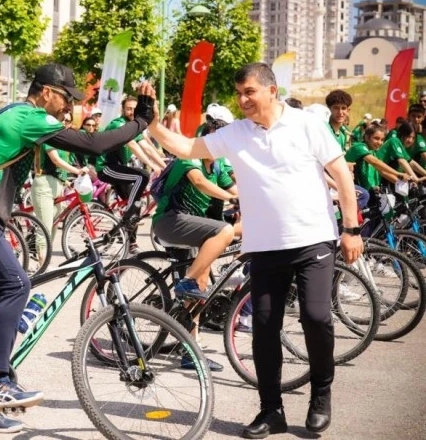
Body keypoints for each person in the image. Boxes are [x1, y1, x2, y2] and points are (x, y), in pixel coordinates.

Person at [0, 63, 157, 429]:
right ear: (48, 92)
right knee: (17, 284)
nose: (69, 108)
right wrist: (140, 122)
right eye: (67, 98)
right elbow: (93, 143)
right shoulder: (28, 117)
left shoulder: (15, 116)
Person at [147, 62, 363, 438]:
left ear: (271, 90)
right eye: (240, 93)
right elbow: (185, 146)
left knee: (315, 316)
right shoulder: (236, 134)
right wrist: (151, 125)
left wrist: (351, 229)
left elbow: (342, 174)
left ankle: (320, 396)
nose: (243, 99)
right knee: (264, 328)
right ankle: (270, 410)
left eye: (250, 92)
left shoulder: (307, 124)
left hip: (313, 239)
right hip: (264, 245)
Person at [152, 118, 239, 372]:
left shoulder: (219, 165)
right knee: (221, 234)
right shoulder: (188, 157)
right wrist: (233, 197)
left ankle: (190, 349)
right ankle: (187, 283)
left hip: (191, 225)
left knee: (200, 284)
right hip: (170, 220)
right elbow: (201, 183)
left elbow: (235, 188)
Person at [95, 96, 165, 255]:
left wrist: (164, 165)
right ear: (122, 109)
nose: (132, 111)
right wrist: (153, 166)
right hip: (106, 168)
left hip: (119, 168)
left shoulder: (134, 126)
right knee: (141, 177)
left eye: (134, 109)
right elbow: (132, 145)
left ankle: (126, 236)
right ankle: (131, 213)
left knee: (136, 204)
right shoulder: (118, 124)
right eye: (128, 108)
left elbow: (145, 145)